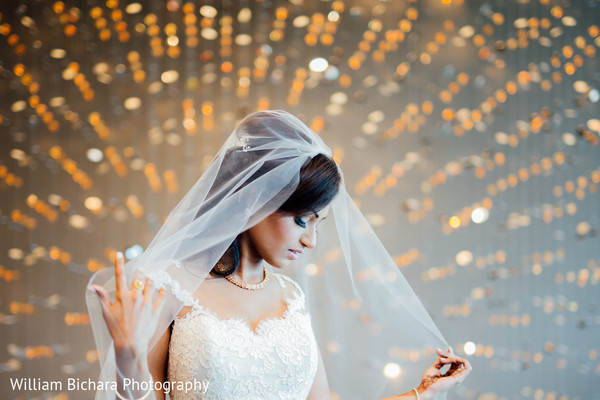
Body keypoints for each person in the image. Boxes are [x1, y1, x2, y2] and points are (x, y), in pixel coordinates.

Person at [86, 110, 471, 400]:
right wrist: (127, 358)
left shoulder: (291, 298)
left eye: (319, 223)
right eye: (302, 220)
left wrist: (422, 393)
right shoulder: (167, 287)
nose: (311, 241)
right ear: (254, 198)